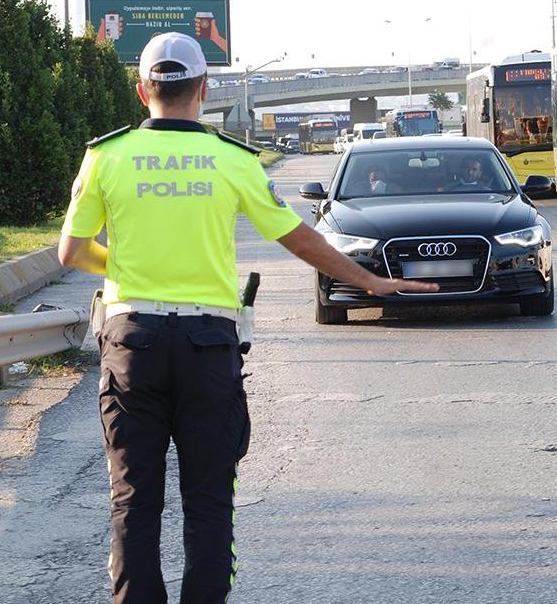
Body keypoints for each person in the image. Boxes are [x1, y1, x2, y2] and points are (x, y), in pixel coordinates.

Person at [58, 33, 435, 604]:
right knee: (209, 501)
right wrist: (370, 281)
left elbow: (72, 252)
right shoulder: (231, 160)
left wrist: (132, 270)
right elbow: (299, 238)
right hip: (209, 346)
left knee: (134, 498)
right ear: (205, 91)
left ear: (142, 92)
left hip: (132, 342)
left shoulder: (106, 156)